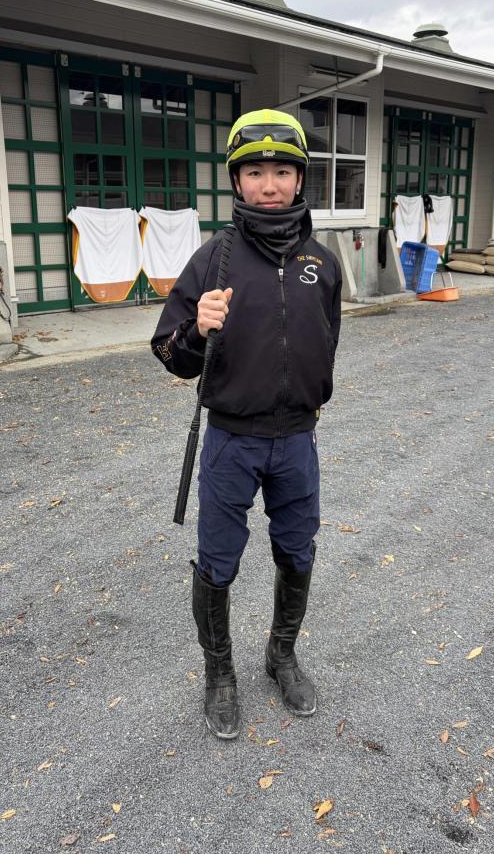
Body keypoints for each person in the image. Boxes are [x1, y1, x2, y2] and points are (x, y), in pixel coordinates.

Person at [151, 109, 342, 739]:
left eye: (282, 170)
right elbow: (168, 354)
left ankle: (280, 656)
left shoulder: (321, 260)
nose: (269, 184)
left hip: (298, 439)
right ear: (236, 182)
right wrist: (195, 331)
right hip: (232, 440)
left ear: (299, 177)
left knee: (297, 551)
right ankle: (220, 675)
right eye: (255, 171)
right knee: (218, 562)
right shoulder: (213, 261)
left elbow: (327, 335)